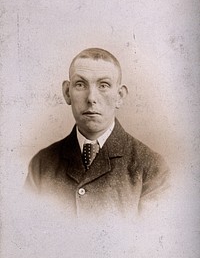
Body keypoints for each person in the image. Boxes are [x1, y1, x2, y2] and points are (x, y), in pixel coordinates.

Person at [25, 48, 170, 220]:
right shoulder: (41, 165)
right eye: (80, 84)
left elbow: (150, 241)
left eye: (103, 85)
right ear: (66, 92)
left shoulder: (152, 167)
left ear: (120, 96)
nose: (91, 98)